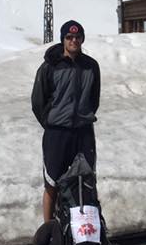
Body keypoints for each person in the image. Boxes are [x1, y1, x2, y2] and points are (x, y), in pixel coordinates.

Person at [31, 20, 101, 222]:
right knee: (52, 182)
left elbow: (93, 99)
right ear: (63, 40)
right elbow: (38, 102)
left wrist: (83, 116)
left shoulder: (91, 66)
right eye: (69, 37)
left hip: (83, 132)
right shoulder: (49, 67)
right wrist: (52, 122)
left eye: (78, 37)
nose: (74, 41)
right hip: (57, 133)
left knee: (86, 180)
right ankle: (49, 233)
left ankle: (86, 234)